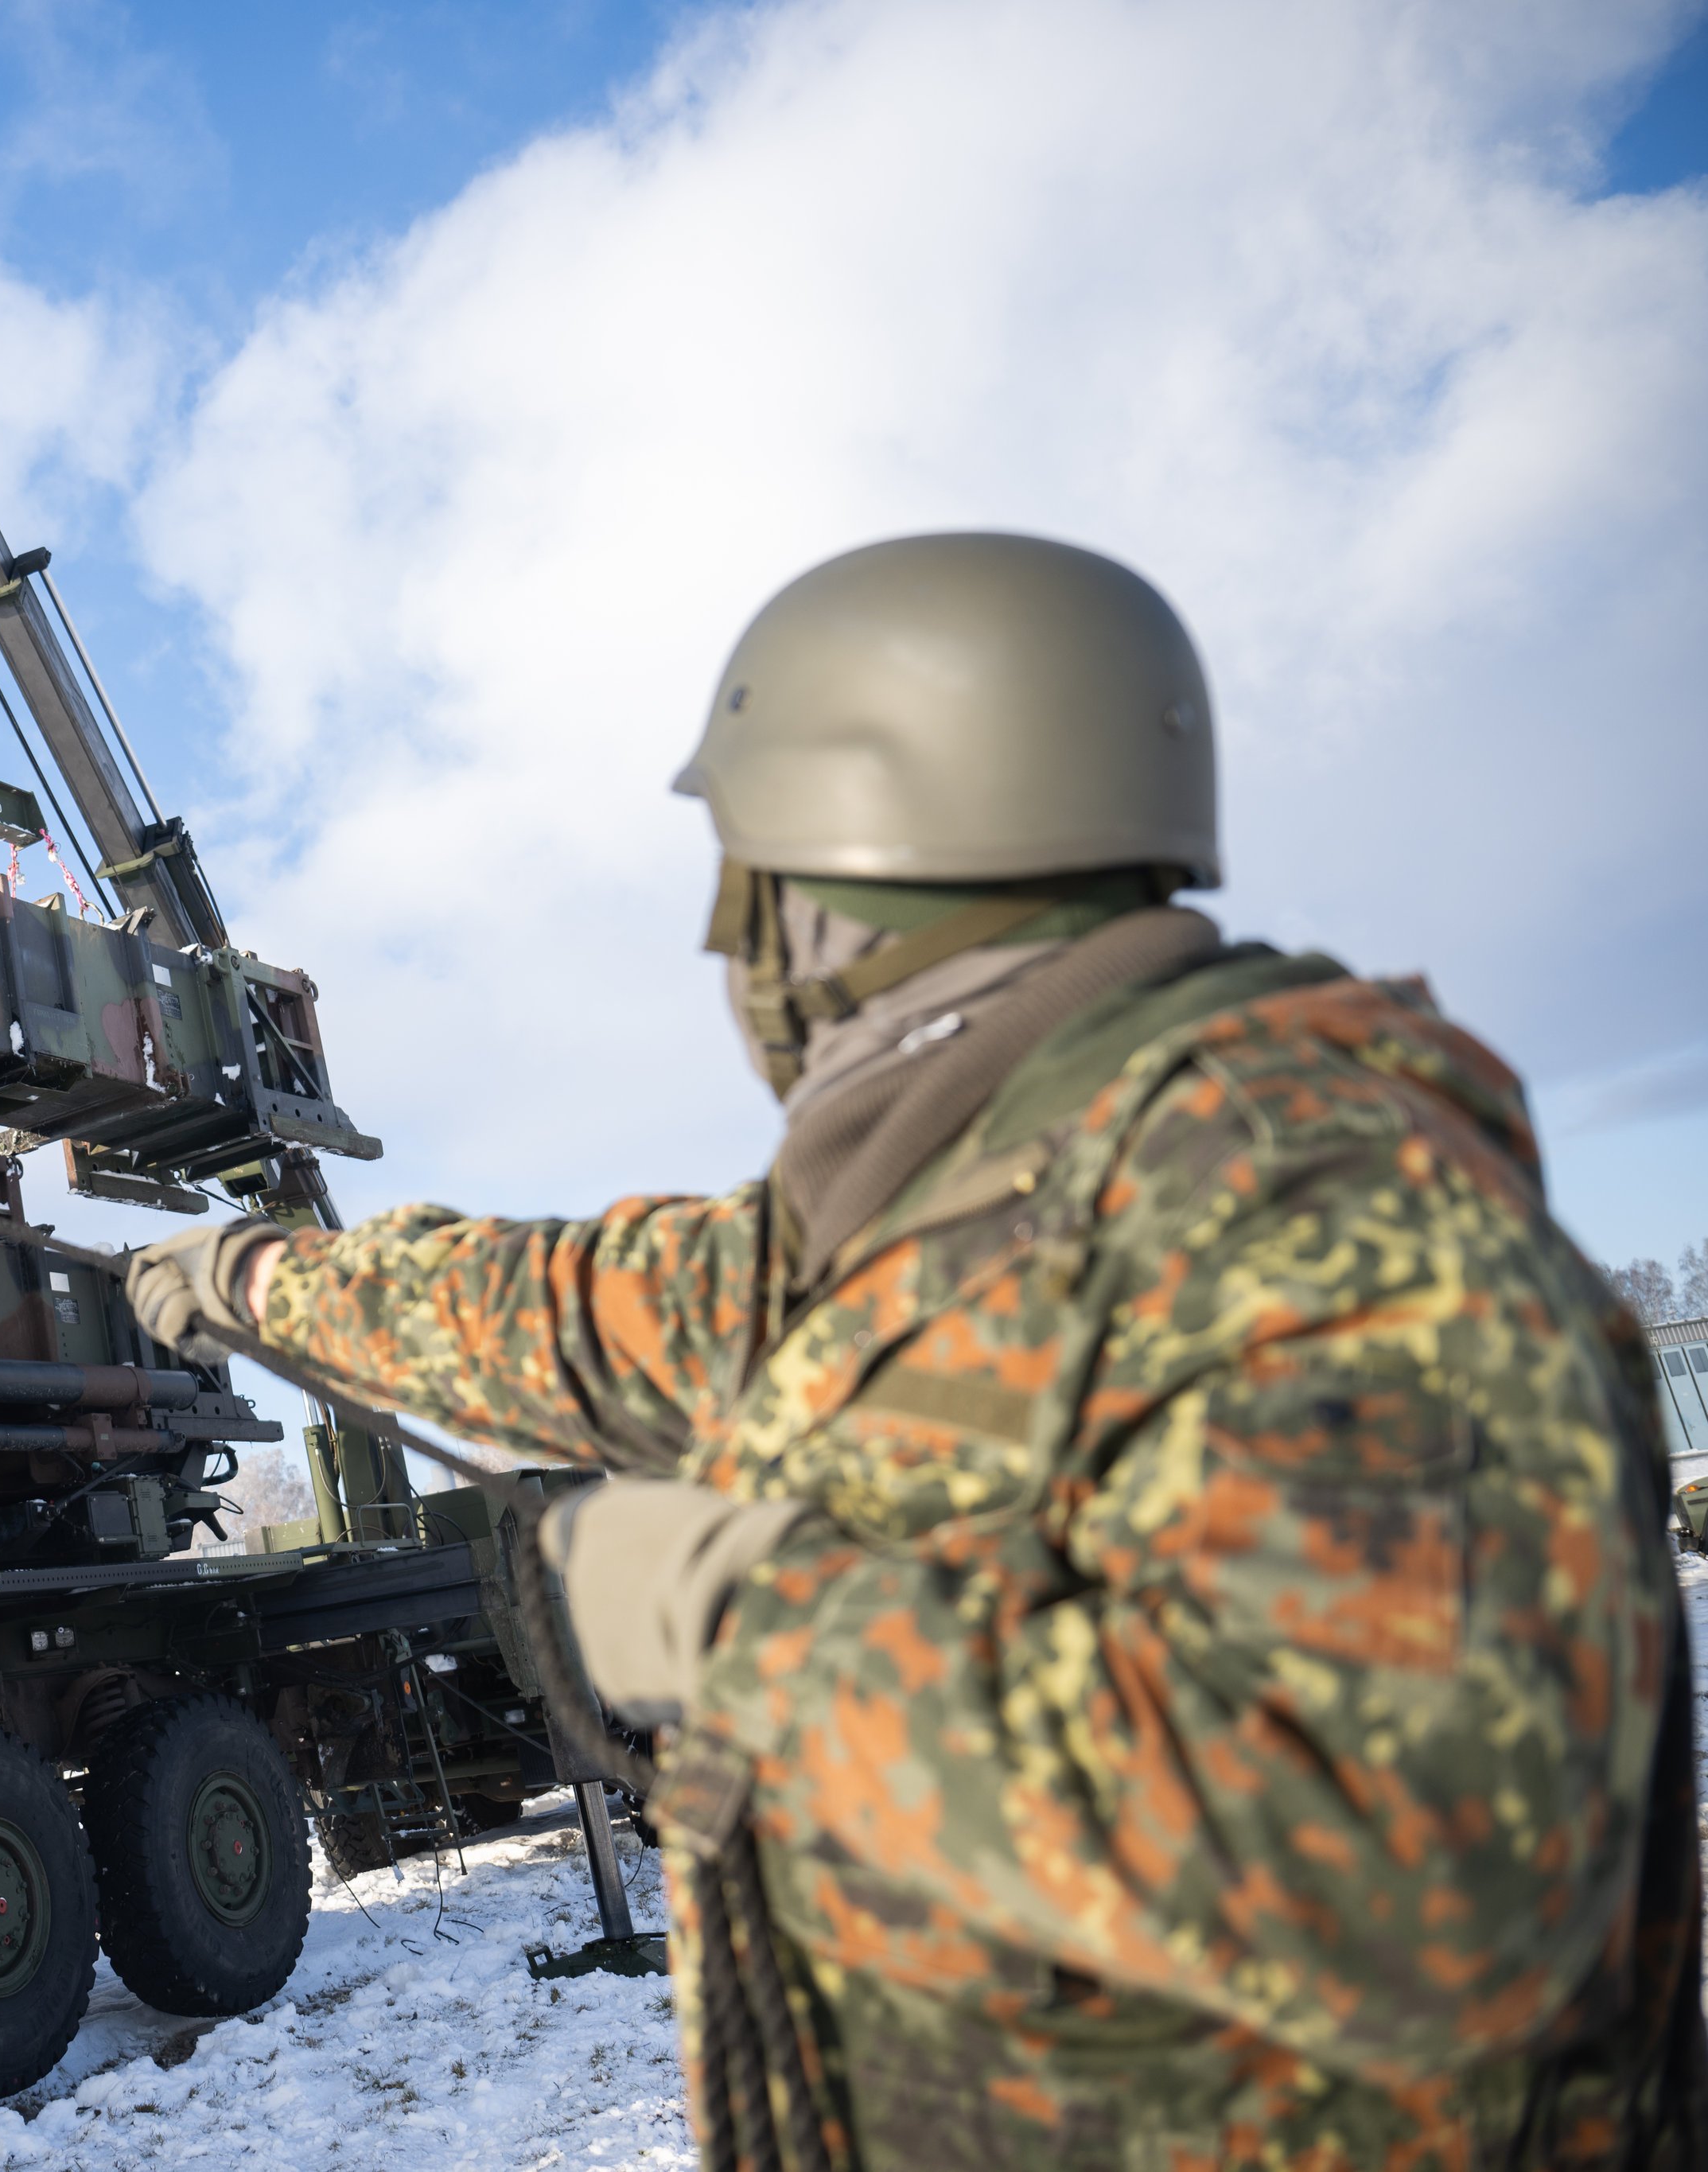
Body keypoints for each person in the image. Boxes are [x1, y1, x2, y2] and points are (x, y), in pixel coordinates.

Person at [130, 533, 1704, 2169]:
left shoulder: (1315, 1217)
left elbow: (1404, 1883)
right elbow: (557, 1303)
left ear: (843, 877)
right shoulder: (916, 1234)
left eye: (748, 877)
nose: (724, 945)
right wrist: (247, 1278)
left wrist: (753, 1625)